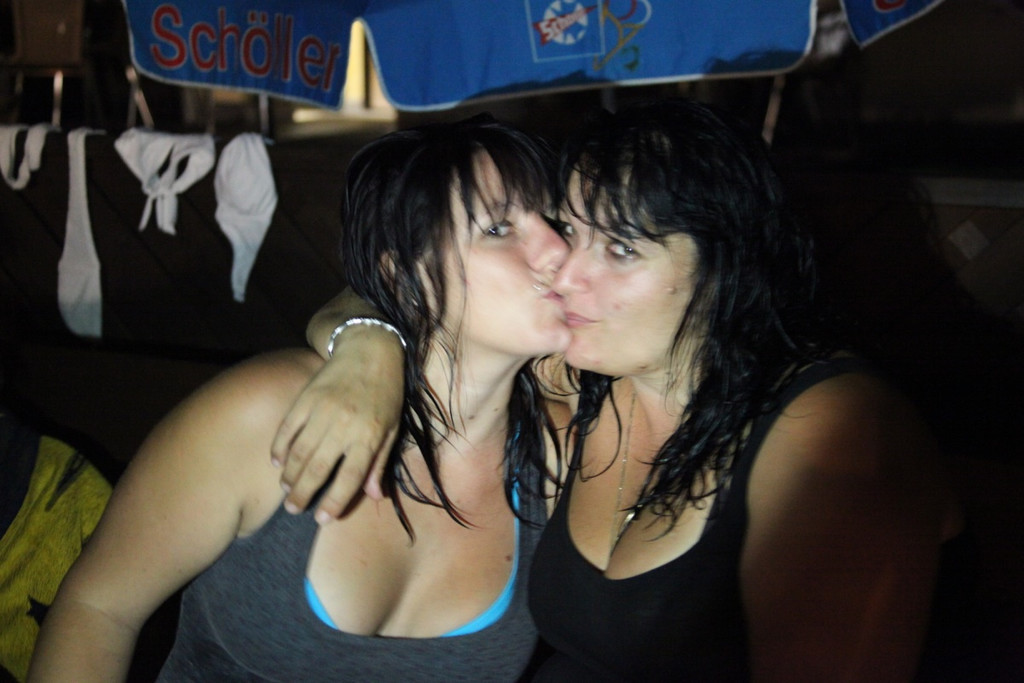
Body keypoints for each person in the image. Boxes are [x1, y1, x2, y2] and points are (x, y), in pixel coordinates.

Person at [272, 98, 966, 681]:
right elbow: (399, 287)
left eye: (623, 248)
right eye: (571, 230)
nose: (565, 270)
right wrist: (367, 347)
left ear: (726, 264)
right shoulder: (587, 376)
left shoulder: (835, 426)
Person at [28, 114, 573, 682]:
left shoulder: (559, 457)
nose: (557, 247)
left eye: (554, 220)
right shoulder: (264, 413)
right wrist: (367, 337)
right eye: (498, 228)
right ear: (406, 277)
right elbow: (98, 610)